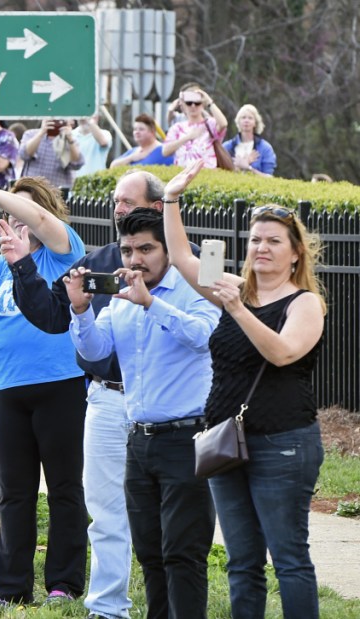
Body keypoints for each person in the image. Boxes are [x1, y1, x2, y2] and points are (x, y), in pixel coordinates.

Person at [6, 167, 175, 619]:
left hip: (169, 408)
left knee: (168, 521)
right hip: (106, 398)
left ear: (158, 210)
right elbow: (54, 316)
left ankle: (171, 604)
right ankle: (106, 607)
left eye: (130, 202)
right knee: (105, 512)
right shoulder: (100, 261)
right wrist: (24, 266)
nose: (119, 209)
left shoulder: (190, 263)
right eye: (116, 202)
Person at [162, 161, 326, 618]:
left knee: (288, 558)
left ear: (295, 253)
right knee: (241, 561)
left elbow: (282, 353)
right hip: (226, 442)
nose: (262, 248)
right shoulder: (236, 289)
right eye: (256, 240)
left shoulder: (305, 303)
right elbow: (180, 257)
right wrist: (172, 198)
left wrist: (238, 309)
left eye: (274, 241)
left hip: (283, 442)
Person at [66, 206, 220, 619]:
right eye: (127, 249)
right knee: (150, 552)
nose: (135, 259)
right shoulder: (121, 295)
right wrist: (81, 312)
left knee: (183, 554)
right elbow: (98, 352)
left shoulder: (195, 286)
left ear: (168, 249)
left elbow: (203, 337)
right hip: (138, 438)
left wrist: (151, 303)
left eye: (146, 249)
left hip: (188, 438)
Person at [0, 177, 87, 607]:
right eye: (9, 215)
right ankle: (12, 588)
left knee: (64, 487)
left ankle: (64, 584)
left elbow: (44, 221)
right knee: (14, 490)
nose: (15, 221)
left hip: (58, 383)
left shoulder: (62, 251)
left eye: (22, 212)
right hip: (8, 387)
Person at [162, 86, 229, 168]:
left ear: (202, 105)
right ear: (183, 105)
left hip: (207, 173)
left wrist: (209, 101)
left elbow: (223, 124)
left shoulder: (209, 124)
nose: (193, 106)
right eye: (189, 103)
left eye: (197, 103)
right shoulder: (177, 128)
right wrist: (188, 137)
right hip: (183, 174)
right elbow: (165, 151)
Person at [18, 119, 84, 189]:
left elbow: (77, 164)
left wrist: (69, 138)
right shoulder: (31, 134)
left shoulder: (70, 138)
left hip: (57, 192)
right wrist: (42, 132)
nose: (55, 123)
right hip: (31, 189)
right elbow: (23, 154)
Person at [223, 104, 277, 177]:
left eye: (250, 118)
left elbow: (269, 178)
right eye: (243, 117)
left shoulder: (265, 148)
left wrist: (249, 168)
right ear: (238, 122)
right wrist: (238, 167)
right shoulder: (227, 147)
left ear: (255, 123)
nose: (246, 120)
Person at [110, 114, 175, 168]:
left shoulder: (164, 151)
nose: (137, 132)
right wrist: (131, 158)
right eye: (135, 129)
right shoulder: (133, 152)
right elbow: (112, 166)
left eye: (141, 129)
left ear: (152, 131)